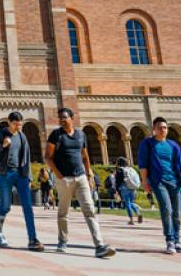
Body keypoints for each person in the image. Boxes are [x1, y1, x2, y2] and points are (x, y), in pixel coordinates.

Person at [45, 108, 116, 258]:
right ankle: (62, 241)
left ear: (72, 118)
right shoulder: (56, 135)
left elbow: (84, 156)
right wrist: (59, 175)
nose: (62, 120)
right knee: (63, 212)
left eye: (64, 117)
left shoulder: (80, 134)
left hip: (81, 177)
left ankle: (99, 246)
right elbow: (48, 157)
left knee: (89, 210)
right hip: (64, 179)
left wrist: (89, 175)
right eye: (60, 118)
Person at [0, 111, 43, 251]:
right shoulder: (1, 134)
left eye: (20, 124)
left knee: (28, 207)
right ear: (9, 122)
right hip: (4, 174)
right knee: (6, 205)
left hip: (20, 174)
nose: (18, 127)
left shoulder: (22, 137)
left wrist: (29, 177)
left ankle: (33, 239)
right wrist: (1, 146)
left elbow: (26, 158)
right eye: (15, 124)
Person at [138, 117, 181, 254]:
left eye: (164, 127)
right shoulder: (147, 144)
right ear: (154, 129)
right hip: (159, 181)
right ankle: (169, 240)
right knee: (166, 209)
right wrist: (145, 182)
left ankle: (177, 242)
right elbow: (143, 164)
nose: (162, 130)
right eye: (159, 127)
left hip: (175, 181)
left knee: (176, 212)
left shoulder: (173, 145)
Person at [114, 157, 144, 225]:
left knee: (127, 203)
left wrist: (117, 190)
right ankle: (138, 214)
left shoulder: (120, 170)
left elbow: (118, 181)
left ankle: (131, 220)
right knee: (131, 202)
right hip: (133, 187)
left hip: (125, 188)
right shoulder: (131, 169)